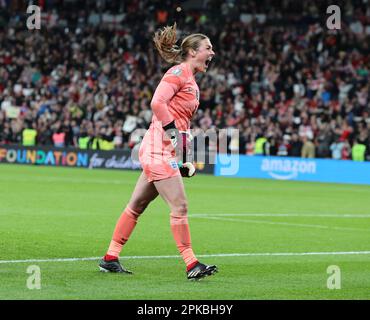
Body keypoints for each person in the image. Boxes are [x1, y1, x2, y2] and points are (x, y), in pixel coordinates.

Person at [98, 23, 218, 280]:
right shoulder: (177, 72)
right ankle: (191, 263)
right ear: (193, 52)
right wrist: (174, 138)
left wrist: (185, 158)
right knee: (180, 206)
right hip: (157, 150)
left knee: (136, 206)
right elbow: (157, 102)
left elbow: (182, 125)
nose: (212, 53)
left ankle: (110, 257)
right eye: (208, 48)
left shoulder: (191, 81)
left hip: (164, 151)